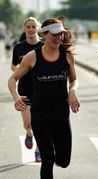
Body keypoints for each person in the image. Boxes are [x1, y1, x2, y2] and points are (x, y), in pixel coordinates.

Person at [8, 18, 80, 179]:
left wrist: (72, 90)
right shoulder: (32, 57)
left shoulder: (67, 56)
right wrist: (15, 96)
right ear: (44, 35)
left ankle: (54, 145)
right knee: (47, 159)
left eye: (61, 34)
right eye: (54, 34)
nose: (59, 38)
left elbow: (74, 79)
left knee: (63, 161)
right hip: (40, 114)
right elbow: (12, 79)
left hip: (61, 113)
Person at [11, 17, 44, 162]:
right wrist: (18, 70)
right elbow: (13, 65)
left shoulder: (44, 46)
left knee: (42, 123)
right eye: (28, 27)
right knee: (28, 124)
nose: (30, 30)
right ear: (24, 29)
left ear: (38, 28)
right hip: (24, 90)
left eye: (33, 27)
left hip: (41, 90)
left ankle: (39, 150)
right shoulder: (19, 47)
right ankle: (29, 133)